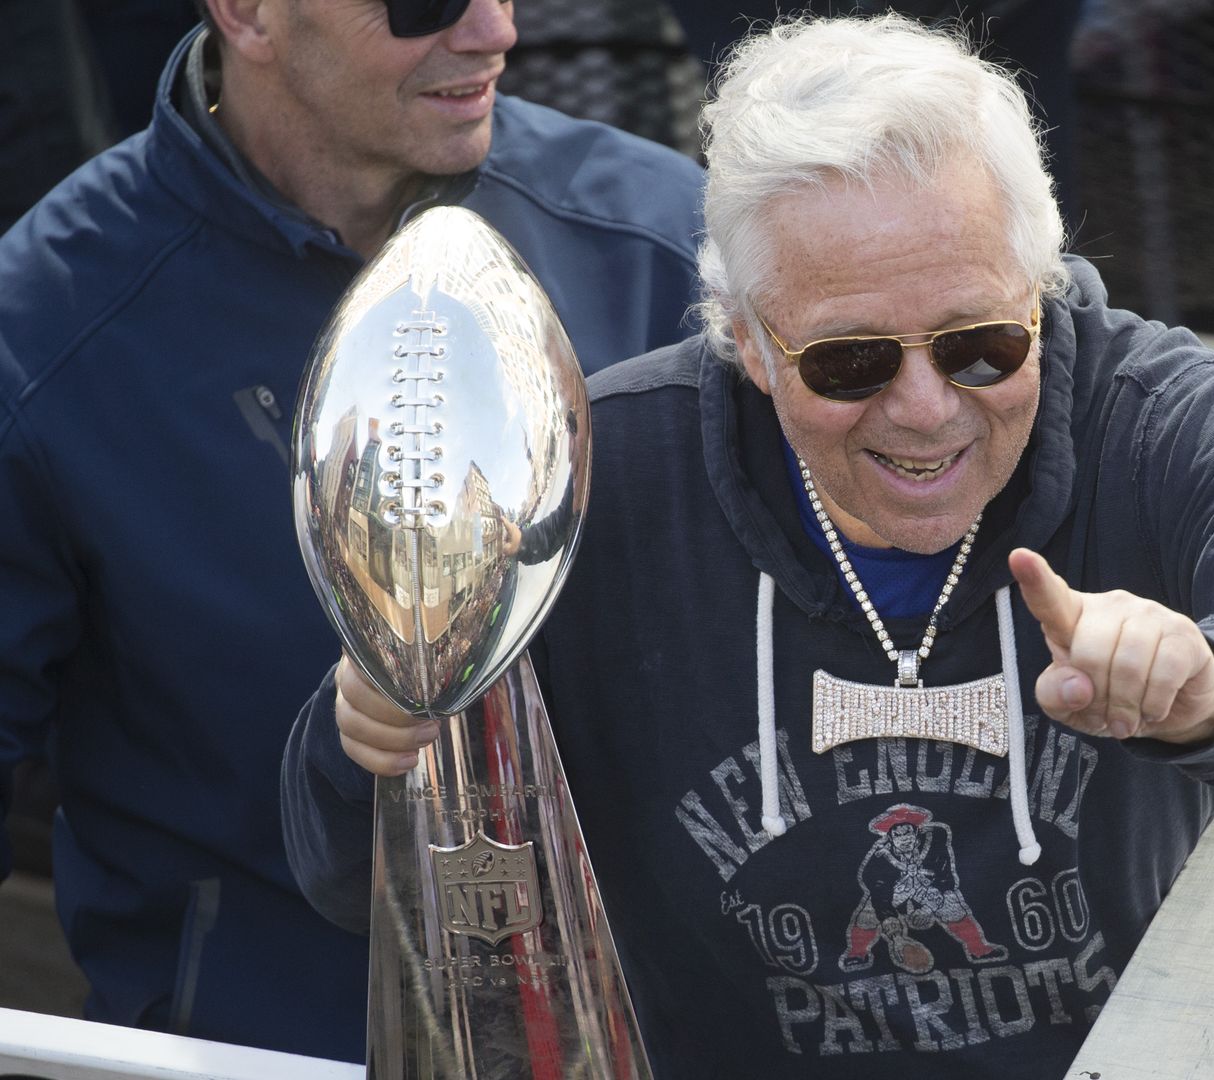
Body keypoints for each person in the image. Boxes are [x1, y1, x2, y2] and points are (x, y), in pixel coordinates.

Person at [284, 14, 1214, 1077]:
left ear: (1040, 292)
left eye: (982, 344)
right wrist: (374, 744)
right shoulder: (594, 474)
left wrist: (1212, 681)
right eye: (851, 362)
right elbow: (353, 878)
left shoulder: (1159, 413)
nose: (927, 407)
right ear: (742, 337)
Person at [0, 0, 704, 1062]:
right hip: (247, 1049)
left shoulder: (668, 240)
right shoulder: (47, 327)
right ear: (246, 13)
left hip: (660, 1037)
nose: (495, 30)